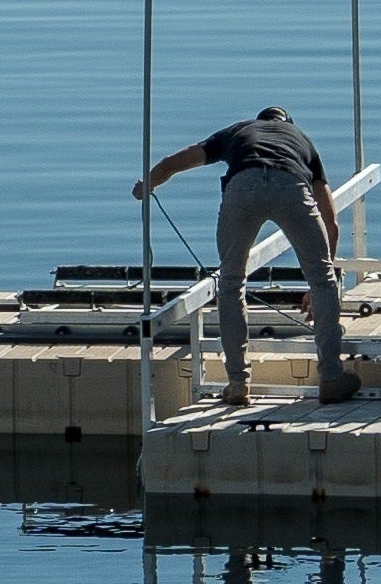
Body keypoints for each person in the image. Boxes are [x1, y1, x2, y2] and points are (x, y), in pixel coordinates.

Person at [136, 102, 357, 405]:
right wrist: (319, 279)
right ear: (287, 123)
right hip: (291, 184)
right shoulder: (301, 140)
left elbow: (175, 162)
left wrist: (147, 184)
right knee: (324, 282)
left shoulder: (239, 131)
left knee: (230, 284)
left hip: (243, 186)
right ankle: (331, 378)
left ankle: (238, 383)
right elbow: (329, 219)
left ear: (259, 120)